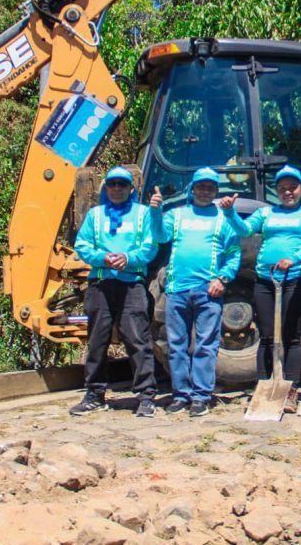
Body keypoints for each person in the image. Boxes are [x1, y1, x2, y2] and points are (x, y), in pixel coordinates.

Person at [220, 166, 301, 413]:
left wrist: (295, 259)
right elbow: (244, 230)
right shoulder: (266, 213)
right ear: (277, 190)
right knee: (267, 337)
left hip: (295, 279)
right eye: (283, 188)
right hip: (266, 281)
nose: (288, 192)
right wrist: (230, 213)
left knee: (292, 336)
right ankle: (264, 386)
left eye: (293, 187)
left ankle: (289, 389)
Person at [150, 167, 241, 417]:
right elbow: (159, 235)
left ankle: (201, 396)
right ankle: (181, 394)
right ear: (192, 189)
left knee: (206, 345)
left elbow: (234, 254)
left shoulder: (223, 219)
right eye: (201, 186)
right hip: (177, 290)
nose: (205, 190)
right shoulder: (176, 215)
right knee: (176, 344)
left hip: (208, 291)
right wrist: (155, 212)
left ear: (215, 191)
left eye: (210, 187)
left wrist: (223, 278)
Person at [70, 167, 160, 417]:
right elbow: (83, 245)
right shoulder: (95, 215)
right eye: (113, 184)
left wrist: (128, 258)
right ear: (106, 187)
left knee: (136, 339)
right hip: (101, 284)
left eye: (122, 185)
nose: (117, 189)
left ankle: (145, 396)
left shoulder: (142, 214)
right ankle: (94, 394)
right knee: (97, 340)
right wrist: (103, 258)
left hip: (132, 284)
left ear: (132, 188)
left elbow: (150, 246)